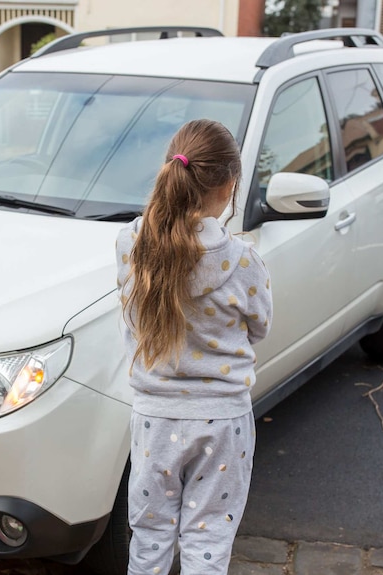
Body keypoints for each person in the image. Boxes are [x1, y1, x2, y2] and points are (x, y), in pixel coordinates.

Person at [116, 119, 273, 575]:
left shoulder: (132, 244)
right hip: (223, 420)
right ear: (229, 185)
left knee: (148, 538)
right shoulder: (244, 261)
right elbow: (259, 328)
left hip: (154, 418)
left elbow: (130, 319)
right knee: (209, 540)